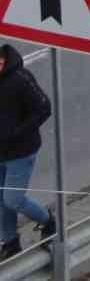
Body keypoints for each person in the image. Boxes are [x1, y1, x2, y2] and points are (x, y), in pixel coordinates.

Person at [0, 44, 55, 259]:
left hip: (21, 152)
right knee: (1, 200)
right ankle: (10, 242)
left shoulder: (20, 79)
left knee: (12, 199)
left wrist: (18, 133)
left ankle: (49, 221)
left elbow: (44, 107)